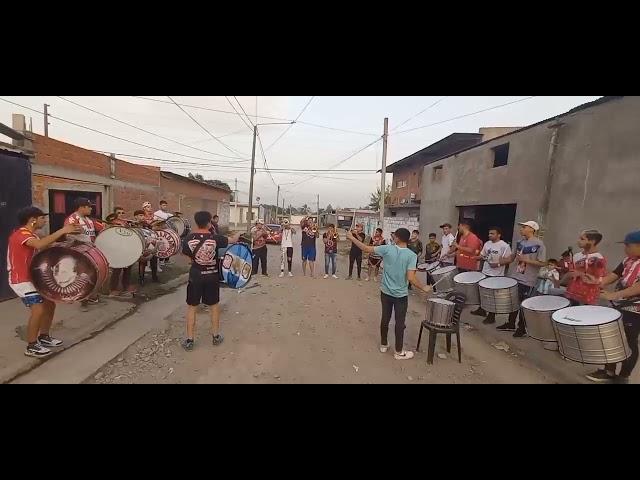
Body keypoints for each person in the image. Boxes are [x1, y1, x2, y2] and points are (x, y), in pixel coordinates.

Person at [348, 227, 433, 360]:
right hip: (400, 296)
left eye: (394, 236)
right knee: (400, 323)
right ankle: (398, 352)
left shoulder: (387, 249)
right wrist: (424, 287)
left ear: (398, 238)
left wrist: (352, 238)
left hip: (386, 292)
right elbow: (411, 278)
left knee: (385, 318)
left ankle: (383, 344)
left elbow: (365, 248)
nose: (393, 237)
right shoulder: (412, 255)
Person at [8, 207, 82, 357]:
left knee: (50, 304)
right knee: (38, 309)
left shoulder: (31, 234)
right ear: (32, 219)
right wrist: (62, 231)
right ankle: (31, 345)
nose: (45, 220)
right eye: (42, 218)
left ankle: (44, 337)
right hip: (20, 279)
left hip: (32, 277)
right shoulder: (21, 233)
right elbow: (39, 245)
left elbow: (43, 244)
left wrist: (64, 243)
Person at [584, 231, 640, 384]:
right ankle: (608, 371)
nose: (625, 249)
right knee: (610, 338)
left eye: (627, 245)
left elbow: (637, 288)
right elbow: (614, 275)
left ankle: (623, 377)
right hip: (618, 306)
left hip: (634, 310)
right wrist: (596, 281)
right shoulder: (628, 260)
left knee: (628, 342)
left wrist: (613, 295)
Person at [181, 211, 240, 351]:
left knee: (192, 307)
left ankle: (190, 339)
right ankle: (215, 336)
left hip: (195, 275)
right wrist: (238, 234)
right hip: (212, 276)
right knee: (214, 306)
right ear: (209, 222)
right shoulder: (215, 238)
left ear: (196, 222)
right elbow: (233, 241)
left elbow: (186, 255)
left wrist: (194, 262)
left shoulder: (188, 238)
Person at [497, 221, 547, 338]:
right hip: (515, 276)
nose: (521, 229)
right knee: (513, 302)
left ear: (532, 229)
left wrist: (527, 260)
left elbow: (542, 262)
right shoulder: (519, 242)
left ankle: (522, 328)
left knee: (523, 305)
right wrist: (501, 260)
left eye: (524, 227)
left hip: (528, 279)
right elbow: (512, 257)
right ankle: (510, 323)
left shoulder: (539, 245)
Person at [65, 197, 104, 310]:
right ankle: (83, 299)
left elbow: (102, 228)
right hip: (79, 252)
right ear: (82, 207)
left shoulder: (90, 220)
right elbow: (68, 234)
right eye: (89, 207)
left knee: (92, 273)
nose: (91, 209)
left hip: (90, 250)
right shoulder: (72, 219)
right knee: (83, 275)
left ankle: (90, 296)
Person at [470, 227, 513, 321]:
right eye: (489, 233)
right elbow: (483, 255)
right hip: (485, 271)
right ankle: (482, 309)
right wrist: (477, 257)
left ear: (499, 235)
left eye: (492, 233)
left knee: (492, 295)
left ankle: (491, 316)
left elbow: (509, 260)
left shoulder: (504, 246)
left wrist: (497, 264)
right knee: (483, 292)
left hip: (496, 274)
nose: (490, 235)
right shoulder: (487, 243)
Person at [561, 230, 607, 306]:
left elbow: (600, 280)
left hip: (587, 297)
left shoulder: (599, 258)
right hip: (571, 293)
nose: (578, 241)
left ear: (592, 241)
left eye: (582, 239)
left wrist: (582, 274)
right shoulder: (576, 256)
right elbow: (571, 272)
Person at [107, 207, 135, 297]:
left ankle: (125, 287)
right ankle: (113, 289)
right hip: (116, 249)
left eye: (122, 213)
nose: (121, 214)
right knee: (117, 269)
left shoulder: (126, 223)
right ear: (114, 214)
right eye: (119, 213)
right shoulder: (110, 223)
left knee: (127, 269)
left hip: (125, 248)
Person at [133, 209, 159, 284]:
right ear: (135, 217)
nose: (142, 217)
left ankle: (154, 277)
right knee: (142, 262)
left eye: (143, 215)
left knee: (154, 260)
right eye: (140, 215)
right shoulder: (132, 224)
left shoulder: (147, 224)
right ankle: (141, 279)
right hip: (139, 246)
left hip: (149, 245)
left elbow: (152, 232)